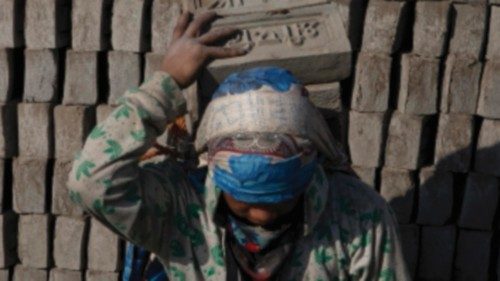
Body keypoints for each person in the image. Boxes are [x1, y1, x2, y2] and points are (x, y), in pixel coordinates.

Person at [68, 11, 410, 281]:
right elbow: (91, 182)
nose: (262, 215)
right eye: (244, 201)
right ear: (213, 166)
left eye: (281, 199)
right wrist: (165, 84)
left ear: (309, 166)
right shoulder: (182, 210)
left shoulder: (357, 217)